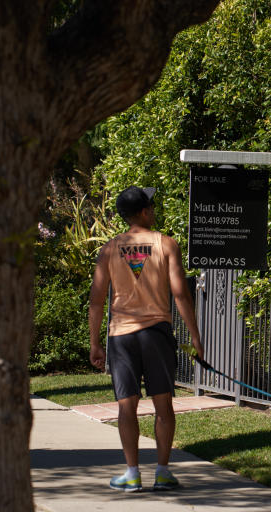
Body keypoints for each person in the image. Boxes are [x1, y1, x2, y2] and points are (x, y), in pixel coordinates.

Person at [89, 186, 203, 492]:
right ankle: (163, 472)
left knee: (127, 407)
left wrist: (95, 343)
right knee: (163, 405)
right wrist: (195, 337)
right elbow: (180, 293)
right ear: (143, 212)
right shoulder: (166, 244)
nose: (154, 209)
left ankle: (132, 474)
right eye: (151, 205)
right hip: (156, 333)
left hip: (122, 336)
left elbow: (97, 300)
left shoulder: (110, 249)